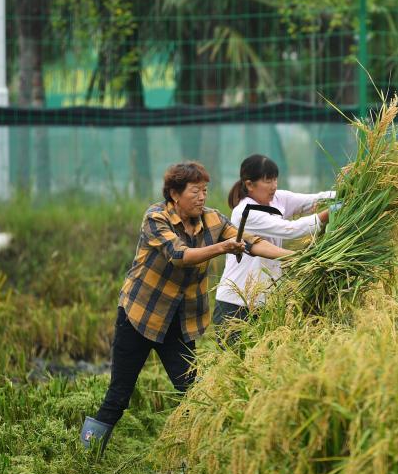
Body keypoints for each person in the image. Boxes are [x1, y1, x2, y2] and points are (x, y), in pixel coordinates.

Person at [80, 161, 291, 454]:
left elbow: (251, 243)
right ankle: (86, 456)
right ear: (175, 194)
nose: (202, 197)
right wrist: (221, 248)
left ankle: (199, 454)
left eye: (205, 190)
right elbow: (179, 255)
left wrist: (292, 256)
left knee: (195, 393)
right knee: (118, 396)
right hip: (139, 317)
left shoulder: (213, 220)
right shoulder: (156, 217)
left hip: (178, 324)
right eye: (196, 191)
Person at [214, 153, 337, 324]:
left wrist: (345, 193)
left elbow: (314, 200)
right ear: (249, 184)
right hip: (237, 302)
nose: (273, 186)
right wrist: (327, 214)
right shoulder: (246, 212)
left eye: (275, 180)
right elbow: (291, 230)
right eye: (267, 181)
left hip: (266, 301)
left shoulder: (278, 199)